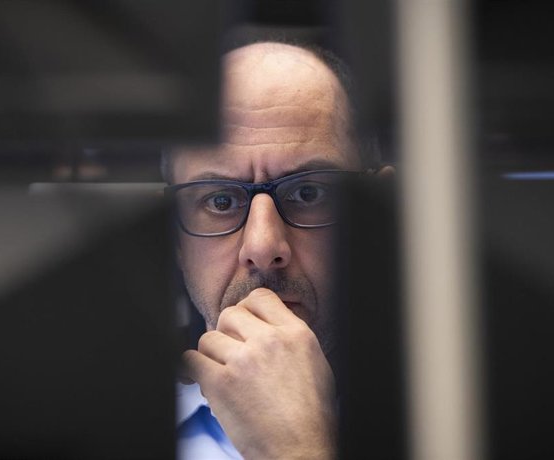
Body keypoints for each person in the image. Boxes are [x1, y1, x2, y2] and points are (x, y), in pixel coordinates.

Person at [165, 41, 390, 459]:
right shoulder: (93, 428)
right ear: (176, 238)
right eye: (219, 201)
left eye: (308, 192)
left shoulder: (466, 418)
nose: (263, 247)